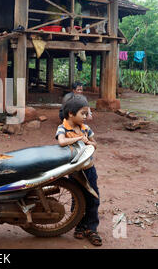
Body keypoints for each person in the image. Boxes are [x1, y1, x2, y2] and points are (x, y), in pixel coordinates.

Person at [55, 94, 102, 246]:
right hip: (75, 172)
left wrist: (89, 142)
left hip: (89, 169)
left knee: (93, 198)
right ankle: (79, 226)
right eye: (83, 113)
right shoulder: (62, 128)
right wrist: (78, 138)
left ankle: (92, 228)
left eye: (87, 113)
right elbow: (61, 142)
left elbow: (95, 144)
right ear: (71, 113)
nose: (86, 117)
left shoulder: (86, 129)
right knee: (77, 198)